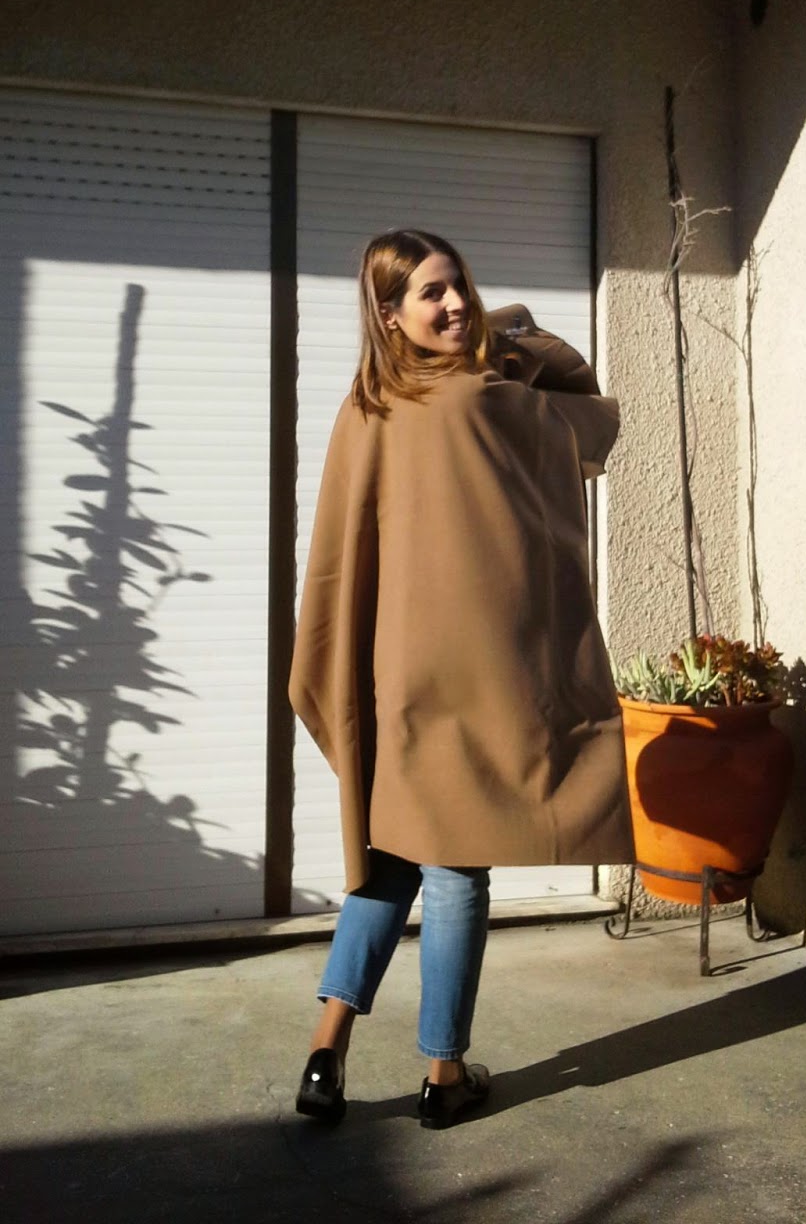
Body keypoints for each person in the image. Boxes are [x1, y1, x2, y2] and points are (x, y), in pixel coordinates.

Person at [289, 228, 632, 1129]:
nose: (455, 306)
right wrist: (509, 333)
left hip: (398, 670)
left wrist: (486, 329)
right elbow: (585, 400)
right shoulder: (496, 397)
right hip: (481, 673)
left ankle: (325, 1052)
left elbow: (340, 561)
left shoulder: (366, 407)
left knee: (391, 855)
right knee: (455, 867)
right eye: (432, 294)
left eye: (460, 287)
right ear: (388, 314)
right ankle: (443, 1073)